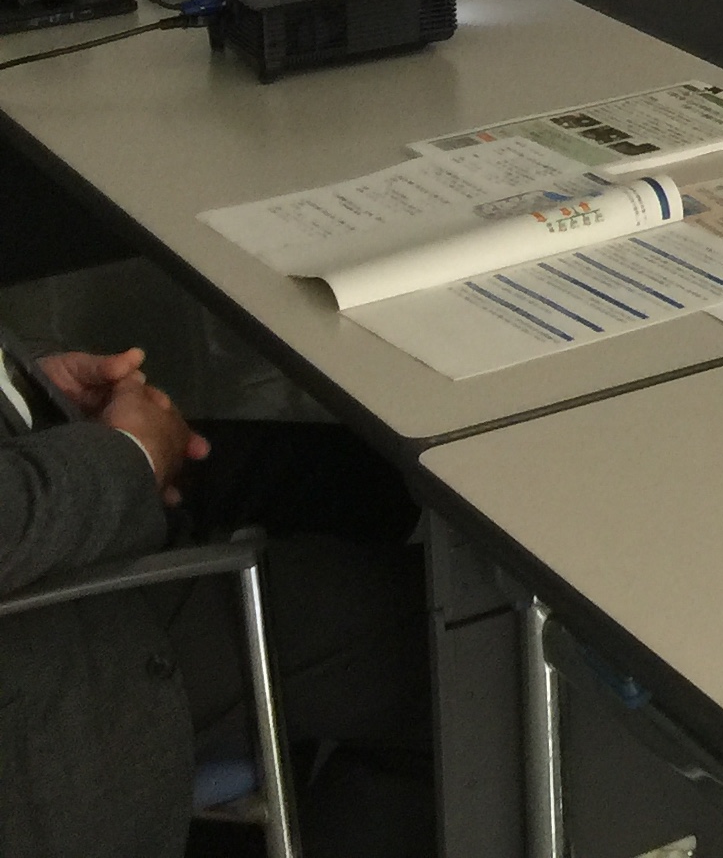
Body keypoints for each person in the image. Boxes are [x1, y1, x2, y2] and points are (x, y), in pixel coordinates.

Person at [0, 323, 433, 858]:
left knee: (373, 481)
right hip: (35, 646)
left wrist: (24, 382)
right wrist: (131, 455)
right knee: (453, 641)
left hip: (31, 502)